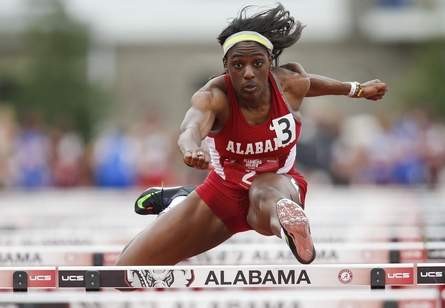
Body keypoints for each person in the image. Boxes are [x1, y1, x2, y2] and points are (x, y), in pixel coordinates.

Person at [116, 3, 387, 266]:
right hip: (224, 192)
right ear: (226, 66)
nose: (248, 73)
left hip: (278, 184)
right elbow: (191, 127)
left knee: (264, 195)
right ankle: (185, 198)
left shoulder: (289, 83)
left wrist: (357, 89)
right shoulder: (214, 97)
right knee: (129, 267)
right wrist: (190, 149)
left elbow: (314, 84)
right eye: (237, 65)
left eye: (257, 63)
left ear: (270, 63)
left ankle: (289, 225)